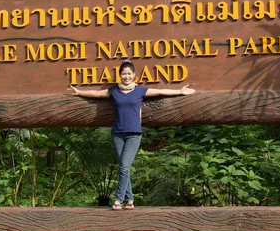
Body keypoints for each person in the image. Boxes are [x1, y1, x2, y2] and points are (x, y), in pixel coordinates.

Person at [69, 59, 196, 211]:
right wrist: (79, 92)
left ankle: (118, 199)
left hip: (134, 134)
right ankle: (130, 199)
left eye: (129, 74)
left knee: (124, 167)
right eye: (124, 74)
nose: (126, 76)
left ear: (134, 75)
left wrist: (180, 91)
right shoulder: (114, 91)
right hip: (117, 133)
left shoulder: (140, 90)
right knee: (124, 167)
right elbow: (96, 93)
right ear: (120, 75)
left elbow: (161, 92)